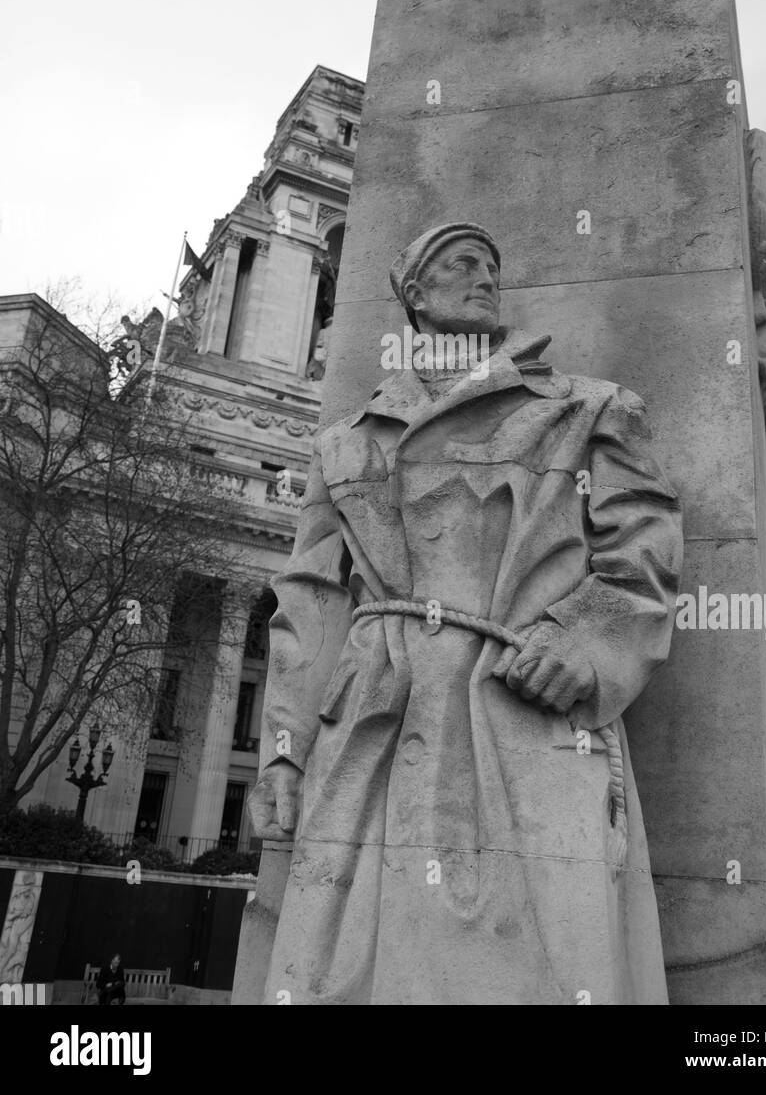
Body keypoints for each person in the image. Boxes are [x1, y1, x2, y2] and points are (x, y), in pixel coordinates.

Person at [248, 222, 683, 1005]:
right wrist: (284, 750)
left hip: (520, 709)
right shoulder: (343, 445)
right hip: (373, 727)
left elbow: (644, 557)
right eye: (460, 265)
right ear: (414, 293)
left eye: (491, 265)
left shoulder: (588, 409)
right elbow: (308, 606)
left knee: (541, 965)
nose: (484, 278)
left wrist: (581, 642)